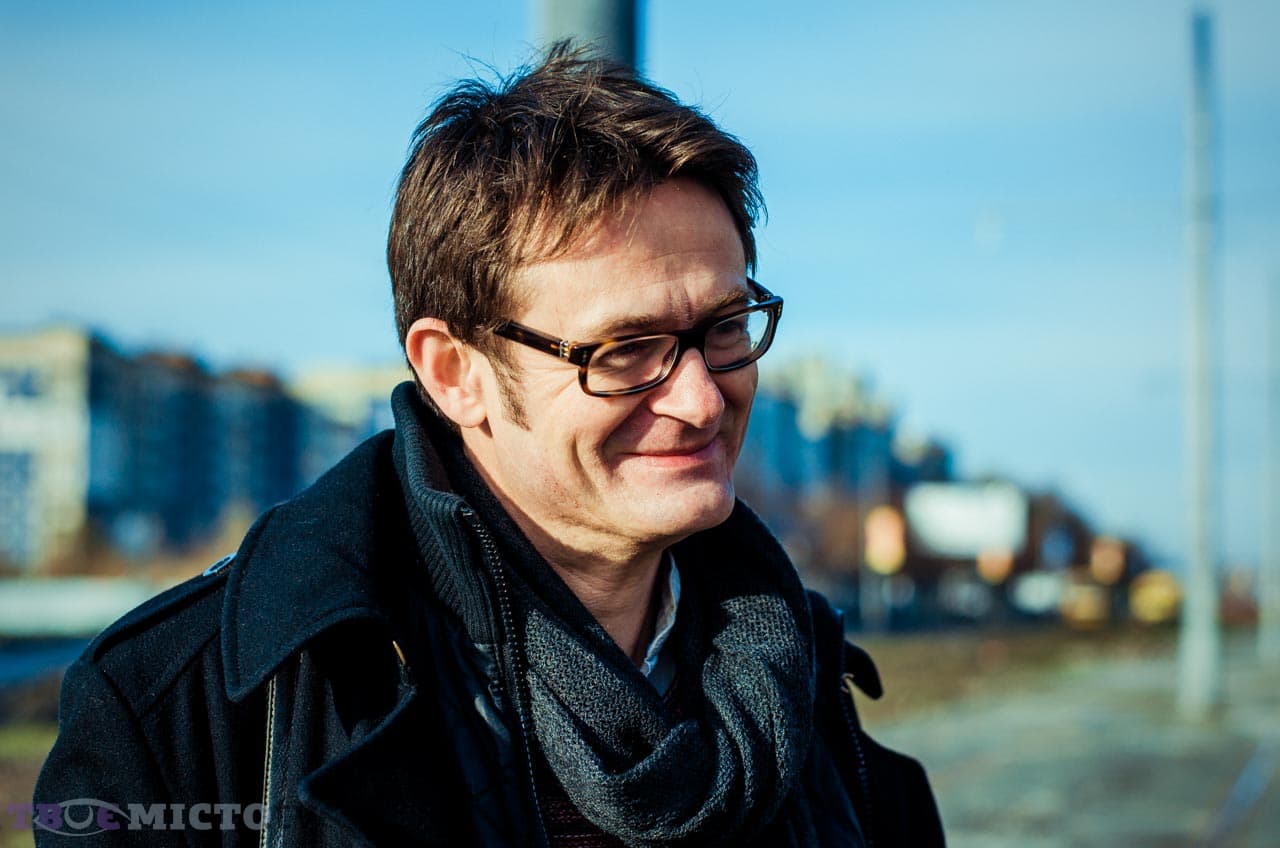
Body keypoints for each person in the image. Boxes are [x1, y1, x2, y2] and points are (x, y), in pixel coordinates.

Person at [35, 45, 944, 847]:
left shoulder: (821, 711)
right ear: (455, 373)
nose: (703, 398)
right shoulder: (191, 721)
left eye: (725, 327)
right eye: (625, 350)